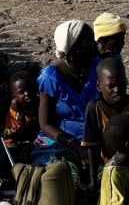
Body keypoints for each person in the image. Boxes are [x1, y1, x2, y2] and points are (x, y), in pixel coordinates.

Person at [30, 20, 99, 185]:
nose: (94, 44)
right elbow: (45, 124)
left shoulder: (97, 67)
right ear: (74, 48)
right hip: (61, 139)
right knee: (54, 173)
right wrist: (75, 146)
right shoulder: (50, 77)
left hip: (93, 137)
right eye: (88, 41)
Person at [81, 57, 129, 187]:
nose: (117, 89)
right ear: (99, 86)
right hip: (109, 166)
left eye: (121, 83)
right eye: (111, 86)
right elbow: (92, 147)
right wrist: (93, 180)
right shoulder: (95, 107)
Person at [1, 70, 39, 162]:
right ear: (14, 96)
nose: (27, 93)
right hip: (13, 136)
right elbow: (18, 131)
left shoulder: (38, 100)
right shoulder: (16, 105)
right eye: (22, 92)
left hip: (28, 135)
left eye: (30, 89)